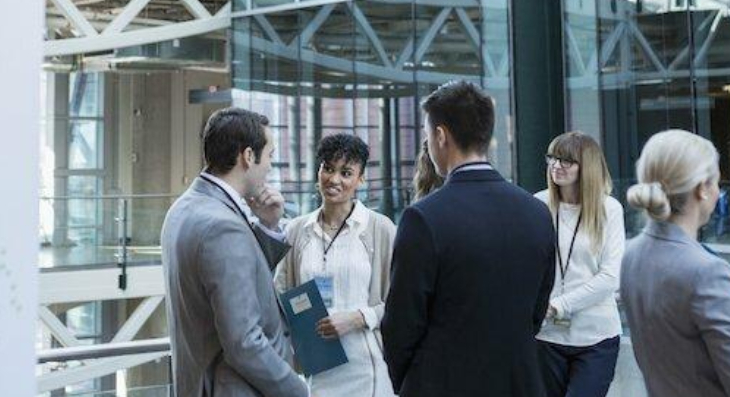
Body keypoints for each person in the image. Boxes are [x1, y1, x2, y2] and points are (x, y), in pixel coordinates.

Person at [381, 80, 556, 397]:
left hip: (441, 384)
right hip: (519, 383)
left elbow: (400, 326)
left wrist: (412, 382)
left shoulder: (423, 218)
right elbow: (535, 312)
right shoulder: (537, 213)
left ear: (440, 136)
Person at [621, 129, 730, 397]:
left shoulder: (632, 255)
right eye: (716, 181)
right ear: (702, 189)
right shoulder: (707, 272)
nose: (718, 190)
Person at [161, 107, 308, 397]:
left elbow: (239, 284)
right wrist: (297, 390)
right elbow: (244, 342)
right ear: (248, 156)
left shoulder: (184, 208)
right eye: (270, 157)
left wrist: (267, 225)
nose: (270, 168)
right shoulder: (223, 227)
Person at [275, 133, 396, 397]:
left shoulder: (380, 229)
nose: (334, 179)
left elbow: (400, 302)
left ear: (361, 179)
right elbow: (280, 294)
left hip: (367, 368)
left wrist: (358, 318)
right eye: (328, 169)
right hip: (318, 366)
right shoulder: (296, 231)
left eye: (346, 172)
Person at [534, 132, 625, 397]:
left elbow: (611, 276)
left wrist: (558, 306)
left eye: (566, 161)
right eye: (552, 158)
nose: (556, 165)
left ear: (587, 167)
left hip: (596, 336)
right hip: (545, 336)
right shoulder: (537, 205)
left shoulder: (609, 209)